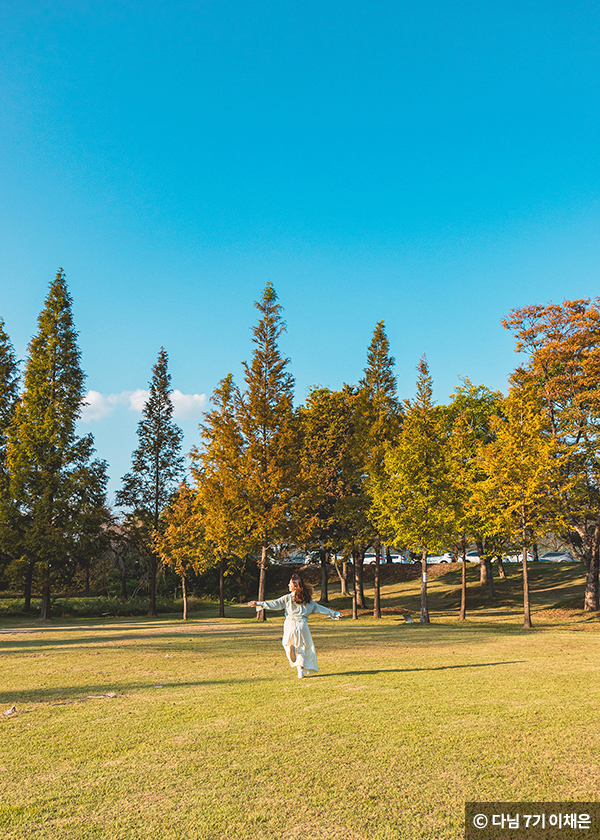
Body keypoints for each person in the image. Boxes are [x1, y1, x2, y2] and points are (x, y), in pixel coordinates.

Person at [249, 574, 342, 678]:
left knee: (287, 644)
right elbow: (320, 608)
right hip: (303, 625)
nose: (288, 585)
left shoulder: (288, 598)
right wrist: (335, 614)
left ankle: (293, 650)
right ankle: (300, 673)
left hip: (290, 624)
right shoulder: (308, 600)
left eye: (290, 583)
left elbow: (275, 604)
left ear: (295, 586)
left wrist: (259, 603)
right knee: (303, 648)